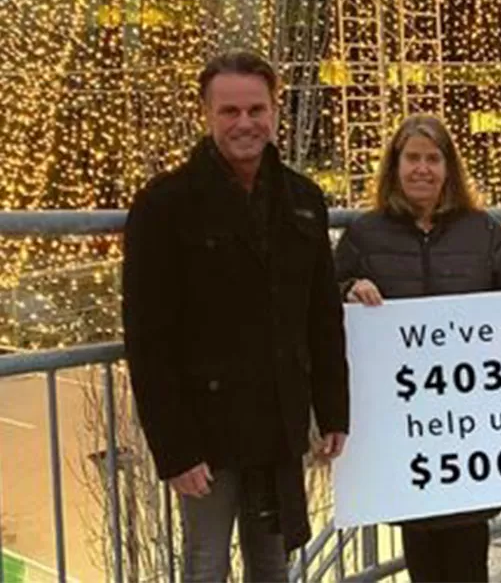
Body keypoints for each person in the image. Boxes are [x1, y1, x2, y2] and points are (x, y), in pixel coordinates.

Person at [122, 50, 349, 582]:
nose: (244, 123)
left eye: (256, 109)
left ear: (274, 111)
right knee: (205, 564)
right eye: (230, 112)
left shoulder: (303, 199)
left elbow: (321, 314)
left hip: (278, 418)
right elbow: (148, 337)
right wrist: (174, 448)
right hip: (206, 426)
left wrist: (333, 409)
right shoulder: (164, 204)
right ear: (207, 114)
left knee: (273, 563)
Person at [333, 113, 501, 583]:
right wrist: (349, 288)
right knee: (422, 552)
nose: (422, 169)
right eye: (412, 158)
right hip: (403, 426)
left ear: (449, 168)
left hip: (470, 421)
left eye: (433, 159)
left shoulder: (484, 233)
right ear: (394, 167)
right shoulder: (364, 235)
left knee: (468, 550)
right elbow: (324, 303)